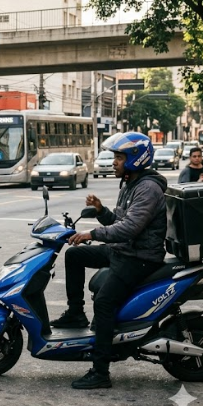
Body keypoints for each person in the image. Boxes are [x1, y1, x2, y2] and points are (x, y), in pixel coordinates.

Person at [50, 132, 167, 390]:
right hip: (123, 250)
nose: (113, 162)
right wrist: (102, 212)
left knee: (104, 301)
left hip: (140, 257)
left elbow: (129, 228)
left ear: (135, 159)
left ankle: (100, 371)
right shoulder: (131, 183)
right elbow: (120, 221)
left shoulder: (147, 188)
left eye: (118, 157)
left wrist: (92, 233)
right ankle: (76, 313)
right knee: (74, 255)